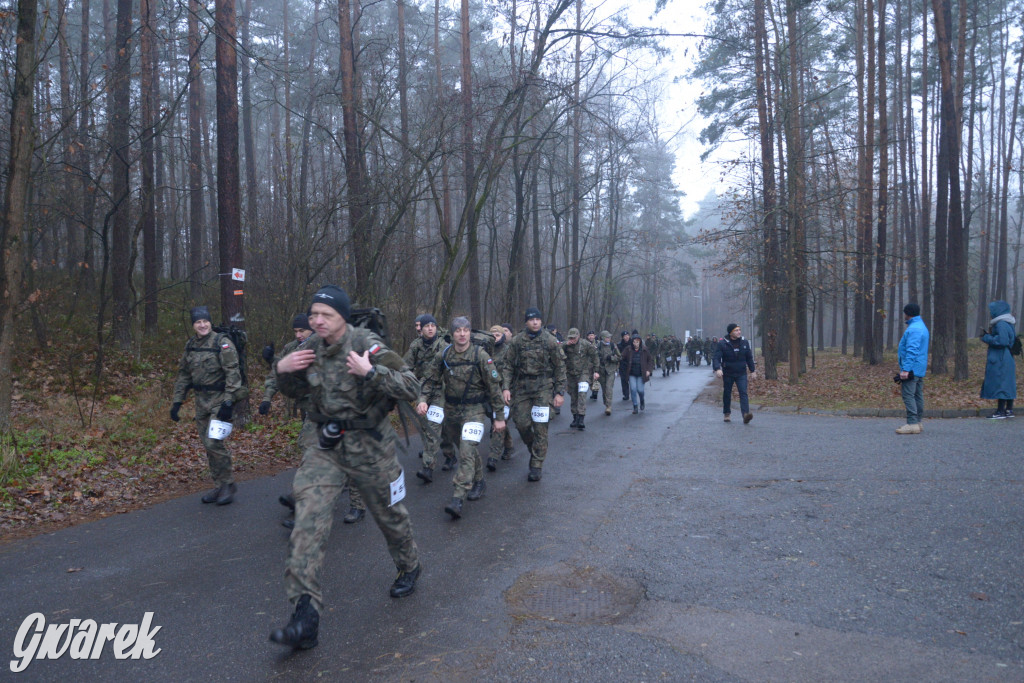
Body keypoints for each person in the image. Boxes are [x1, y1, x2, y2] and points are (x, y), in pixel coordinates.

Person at [269, 285, 422, 650]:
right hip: (327, 447)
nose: (317, 321)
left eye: (326, 315)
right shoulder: (308, 348)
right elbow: (297, 392)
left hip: (370, 446)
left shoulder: (366, 344)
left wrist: (372, 373)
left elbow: (412, 385)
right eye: (313, 314)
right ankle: (304, 616)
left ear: (343, 317)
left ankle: (410, 564)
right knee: (307, 523)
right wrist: (282, 370)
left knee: (390, 516)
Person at [265, 315, 365, 529]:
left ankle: (357, 505)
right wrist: (273, 364)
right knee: (310, 450)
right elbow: (286, 372)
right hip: (317, 410)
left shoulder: (354, 342)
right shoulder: (303, 347)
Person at [419, 317, 506, 519]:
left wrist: (499, 417)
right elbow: (430, 379)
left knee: (467, 450)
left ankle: (458, 497)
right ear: (452, 333)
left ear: (470, 333)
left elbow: (494, 388)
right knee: (466, 449)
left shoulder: (480, 355)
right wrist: (423, 399)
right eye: (458, 330)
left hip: (474, 409)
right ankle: (479, 481)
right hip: (451, 410)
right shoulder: (445, 354)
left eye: (466, 330)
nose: (462, 334)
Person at [171, 306, 243, 505]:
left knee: (213, 442)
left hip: (220, 400)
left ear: (210, 322)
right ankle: (219, 485)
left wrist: (229, 400)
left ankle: (228, 484)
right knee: (207, 445)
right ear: (193, 325)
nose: (202, 325)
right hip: (201, 401)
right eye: (198, 322)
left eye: (205, 321)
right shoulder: (191, 345)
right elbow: (184, 374)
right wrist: (177, 401)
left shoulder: (222, 343)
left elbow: (233, 373)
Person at [499, 307, 567, 481]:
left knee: (541, 428)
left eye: (537, 319)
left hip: (543, 387)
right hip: (521, 387)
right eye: (531, 319)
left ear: (541, 321)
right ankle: (534, 448)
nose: (535, 322)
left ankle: (536, 464)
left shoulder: (550, 341)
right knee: (521, 423)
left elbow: (560, 367)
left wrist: (559, 392)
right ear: (526, 322)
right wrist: (506, 387)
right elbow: (507, 366)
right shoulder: (517, 341)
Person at [406, 314, 448, 483]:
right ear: (421, 329)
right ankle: (449, 454)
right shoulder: (416, 346)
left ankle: (427, 468)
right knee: (425, 425)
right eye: (426, 326)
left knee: (433, 425)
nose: (430, 328)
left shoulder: (444, 346)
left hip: (440, 390)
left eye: (433, 325)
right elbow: (407, 367)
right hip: (422, 390)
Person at [979, 300, 1017, 419]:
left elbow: (1002, 340)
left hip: (1000, 357)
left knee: (1001, 383)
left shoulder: (1000, 324)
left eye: (992, 311)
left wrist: (986, 337)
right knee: (1007, 383)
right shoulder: (1008, 322)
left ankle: (1000, 411)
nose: (991, 313)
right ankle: (1008, 410)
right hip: (1006, 356)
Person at [712, 323, 756, 423]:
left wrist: (752, 370)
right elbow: (716, 357)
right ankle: (727, 413)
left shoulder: (744, 342)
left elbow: (749, 358)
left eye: (739, 330)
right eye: (736, 330)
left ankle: (745, 414)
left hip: (741, 373)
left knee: (743, 392)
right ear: (731, 332)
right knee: (727, 393)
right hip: (728, 372)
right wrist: (717, 368)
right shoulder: (722, 343)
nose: (739, 332)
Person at [487, 325, 515, 466]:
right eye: (492, 335)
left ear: (503, 336)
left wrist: (507, 388)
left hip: (506, 392)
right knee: (499, 422)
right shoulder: (486, 351)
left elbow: (511, 372)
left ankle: (493, 456)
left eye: (498, 335)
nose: (495, 337)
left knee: (499, 420)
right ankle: (509, 446)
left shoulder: (509, 351)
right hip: (490, 393)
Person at [563, 327, 600, 430]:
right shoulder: (566, 345)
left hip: (583, 373)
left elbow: (595, 356)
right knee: (573, 395)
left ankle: (581, 418)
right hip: (570, 374)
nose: (572, 339)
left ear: (578, 336)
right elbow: (557, 353)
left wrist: (596, 370)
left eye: (574, 337)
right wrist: (565, 345)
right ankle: (575, 417)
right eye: (570, 337)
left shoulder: (585, 344)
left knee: (582, 395)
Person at [620, 332, 654, 413]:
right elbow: (621, 356)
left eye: (637, 342)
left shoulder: (644, 349)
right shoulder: (628, 349)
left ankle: (642, 400)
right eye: (634, 342)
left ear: (640, 342)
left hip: (641, 373)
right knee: (633, 389)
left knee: (640, 390)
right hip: (631, 373)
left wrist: (648, 370)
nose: (636, 343)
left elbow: (650, 360)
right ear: (632, 342)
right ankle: (635, 406)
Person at [596, 330, 621, 415]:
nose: (609, 338)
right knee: (604, 389)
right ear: (603, 338)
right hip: (601, 370)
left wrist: (612, 358)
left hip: (611, 370)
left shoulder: (613, 346)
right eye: (607, 337)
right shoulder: (598, 346)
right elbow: (594, 358)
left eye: (610, 337)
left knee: (608, 388)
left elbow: (619, 357)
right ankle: (606, 403)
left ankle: (609, 406)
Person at [617, 331, 632, 400]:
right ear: (622, 337)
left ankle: (633, 393)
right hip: (623, 365)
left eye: (627, 335)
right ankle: (626, 394)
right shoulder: (619, 345)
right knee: (624, 380)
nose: (626, 337)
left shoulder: (633, 343)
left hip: (632, 364)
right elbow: (617, 355)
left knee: (632, 380)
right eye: (625, 336)